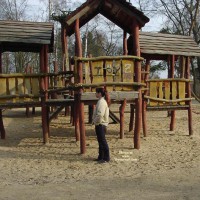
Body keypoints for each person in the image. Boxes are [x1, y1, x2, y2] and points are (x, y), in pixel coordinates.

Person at [92, 87, 110, 163]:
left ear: (99, 93)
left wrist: (95, 122)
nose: (95, 94)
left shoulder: (101, 102)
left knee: (102, 141)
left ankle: (106, 157)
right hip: (100, 124)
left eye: (96, 92)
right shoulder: (100, 101)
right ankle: (101, 157)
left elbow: (100, 115)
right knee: (100, 141)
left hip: (101, 124)